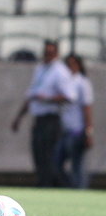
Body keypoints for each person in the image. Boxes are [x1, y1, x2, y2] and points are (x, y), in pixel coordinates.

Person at [11, 40, 75, 188]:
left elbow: (69, 96)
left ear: (56, 54)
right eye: (46, 53)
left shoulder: (60, 71)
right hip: (39, 119)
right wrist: (19, 117)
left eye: (51, 53)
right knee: (38, 155)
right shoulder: (40, 69)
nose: (47, 56)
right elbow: (31, 95)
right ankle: (43, 183)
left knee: (49, 157)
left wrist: (47, 99)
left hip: (51, 119)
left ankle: (54, 186)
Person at [54, 54, 94, 189]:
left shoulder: (82, 82)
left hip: (77, 131)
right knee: (57, 163)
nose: (69, 68)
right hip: (66, 130)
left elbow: (87, 108)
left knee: (77, 165)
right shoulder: (67, 82)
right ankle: (71, 188)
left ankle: (80, 190)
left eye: (72, 64)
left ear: (79, 65)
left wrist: (88, 132)